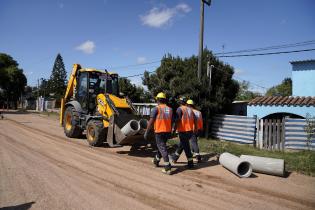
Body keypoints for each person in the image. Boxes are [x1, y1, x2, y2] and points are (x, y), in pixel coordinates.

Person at [144, 92, 173, 175]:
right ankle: (156, 160)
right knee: (162, 147)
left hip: (159, 131)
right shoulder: (170, 109)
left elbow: (151, 121)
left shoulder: (156, 108)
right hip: (167, 131)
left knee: (162, 148)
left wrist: (146, 131)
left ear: (158, 100)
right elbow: (172, 121)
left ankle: (167, 167)